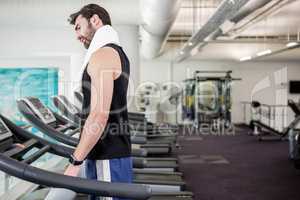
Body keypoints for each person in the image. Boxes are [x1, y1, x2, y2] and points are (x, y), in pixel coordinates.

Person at [64, 4, 132, 200]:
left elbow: (99, 115)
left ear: (95, 20)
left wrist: (74, 162)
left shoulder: (103, 54)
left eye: (78, 27)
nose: (77, 36)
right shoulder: (114, 52)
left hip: (108, 156)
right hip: (107, 153)